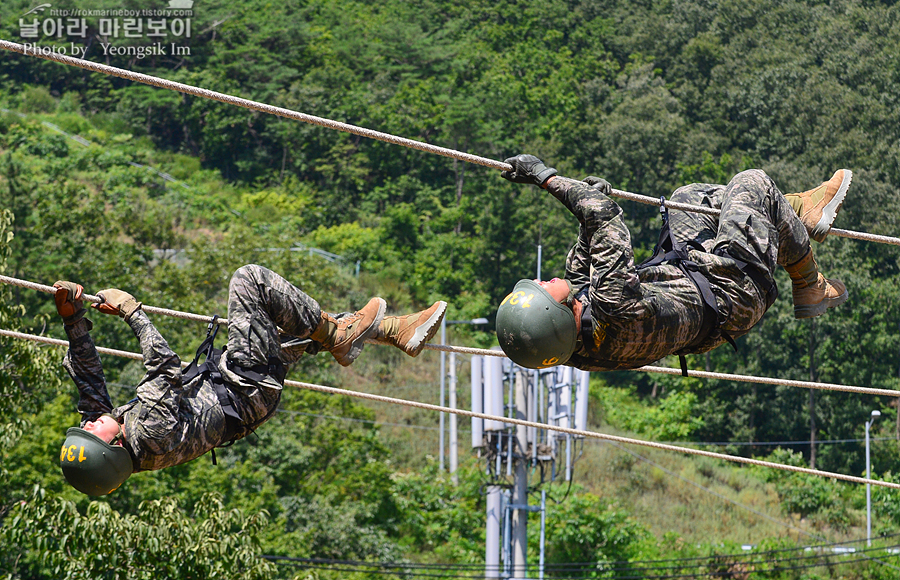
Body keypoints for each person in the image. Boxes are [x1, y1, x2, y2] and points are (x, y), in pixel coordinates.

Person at [55, 264, 447, 496]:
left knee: (300, 322)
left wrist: (73, 320)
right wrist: (132, 311)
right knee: (251, 281)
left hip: (240, 386)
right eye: (92, 431)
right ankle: (341, 336)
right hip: (245, 384)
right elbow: (163, 367)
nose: (89, 423)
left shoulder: (121, 434)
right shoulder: (151, 435)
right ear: (116, 447)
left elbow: (90, 383)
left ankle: (396, 330)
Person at [495, 154, 850, 372]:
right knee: (752, 183)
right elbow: (604, 219)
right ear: (557, 316)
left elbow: (586, 257)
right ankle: (810, 284)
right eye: (542, 291)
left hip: (698, 280)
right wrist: (547, 178)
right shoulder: (613, 306)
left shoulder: (571, 345)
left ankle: (792, 211)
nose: (540, 281)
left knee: (689, 199)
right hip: (733, 292)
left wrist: (590, 205)